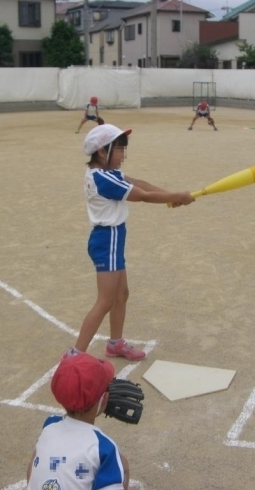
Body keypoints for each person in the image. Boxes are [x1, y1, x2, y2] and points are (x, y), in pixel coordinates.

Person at [67, 124, 194, 361]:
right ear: (103, 152)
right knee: (105, 301)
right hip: (108, 240)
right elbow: (143, 196)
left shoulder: (104, 173)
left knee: (121, 294)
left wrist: (170, 196)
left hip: (112, 239)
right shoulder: (103, 179)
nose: (123, 155)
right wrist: (177, 196)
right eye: (119, 149)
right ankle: (75, 355)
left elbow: (139, 183)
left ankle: (115, 344)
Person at [26, 352, 130, 490]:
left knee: (38, 456)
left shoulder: (49, 424)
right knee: (122, 464)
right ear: (104, 399)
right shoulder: (104, 448)